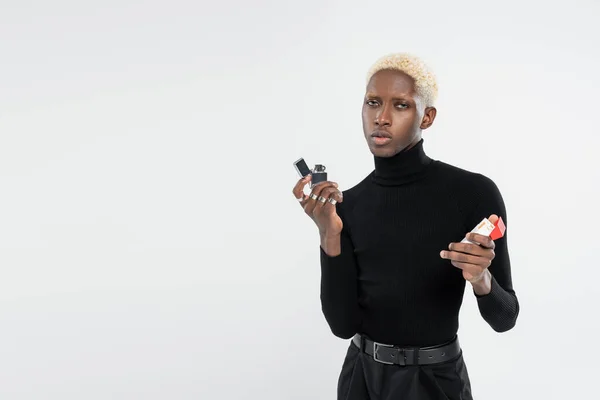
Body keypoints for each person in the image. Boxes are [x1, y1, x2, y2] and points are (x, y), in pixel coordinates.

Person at [291, 53, 519, 400]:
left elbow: (505, 318)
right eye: (373, 103)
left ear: (426, 116)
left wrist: (481, 279)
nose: (381, 118)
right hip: (360, 380)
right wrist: (329, 234)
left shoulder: (472, 194)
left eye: (400, 105)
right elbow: (342, 326)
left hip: (435, 383)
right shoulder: (348, 206)